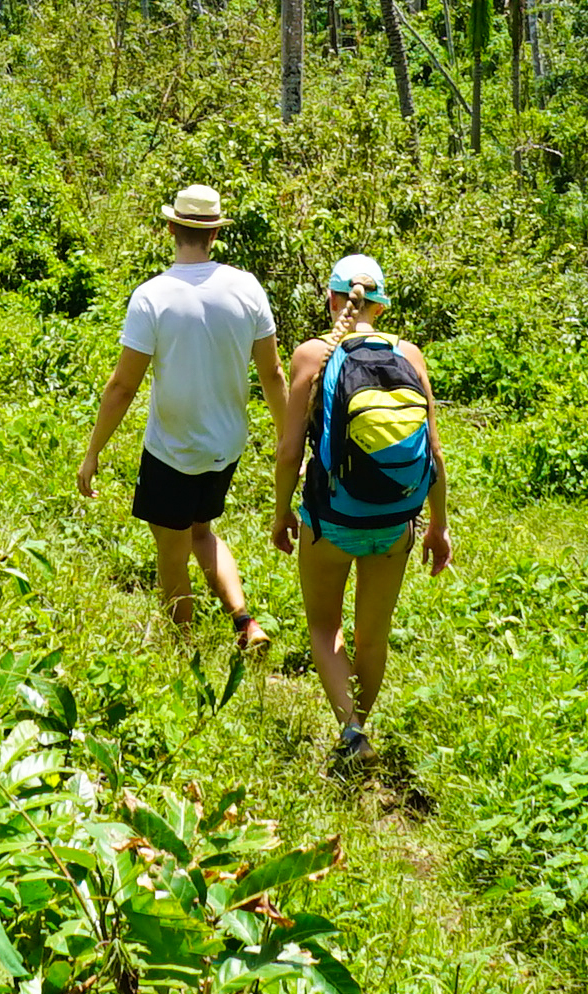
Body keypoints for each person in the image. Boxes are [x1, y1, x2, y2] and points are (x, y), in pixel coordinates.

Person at [80, 182, 282, 654]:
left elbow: (123, 386)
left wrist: (93, 453)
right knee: (201, 531)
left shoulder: (153, 296)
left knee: (172, 553)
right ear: (214, 234)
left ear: (171, 228)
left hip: (171, 449)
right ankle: (245, 622)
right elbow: (272, 373)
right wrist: (288, 438)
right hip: (226, 445)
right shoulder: (246, 287)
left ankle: (182, 649)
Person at [271, 253, 448, 774]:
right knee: (374, 635)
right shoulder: (409, 354)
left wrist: (282, 515)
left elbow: (288, 452)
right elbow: (435, 453)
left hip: (330, 519)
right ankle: (361, 723)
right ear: (381, 304)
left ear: (333, 298)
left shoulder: (311, 355)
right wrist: (437, 525)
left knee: (324, 627)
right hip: (397, 522)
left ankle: (351, 728)